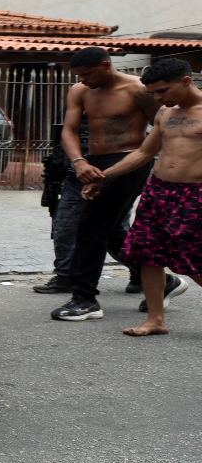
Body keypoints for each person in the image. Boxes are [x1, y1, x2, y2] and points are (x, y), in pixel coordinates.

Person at [45, 47, 166, 322]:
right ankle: (162, 283)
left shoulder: (138, 90)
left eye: (87, 73)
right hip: (91, 161)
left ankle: (84, 298)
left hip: (130, 161)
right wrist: (79, 162)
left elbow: (161, 130)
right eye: (79, 75)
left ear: (106, 65)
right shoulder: (80, 90)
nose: (83, 79)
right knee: (109, 232)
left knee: (90, 227)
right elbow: (69, 130)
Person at [82, 58, 200, 335]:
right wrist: (105, 176)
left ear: (185, 81)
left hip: (195, 193)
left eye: (162, 91)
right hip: (158, 191)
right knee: (148, 253)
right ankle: (156, 320)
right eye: (154, 93)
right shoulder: (164, 114)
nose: (158, 98)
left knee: (193, 257)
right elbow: (144, 153)